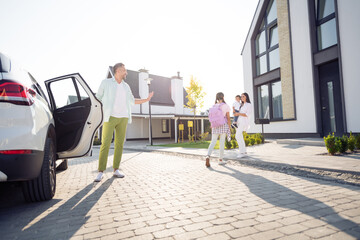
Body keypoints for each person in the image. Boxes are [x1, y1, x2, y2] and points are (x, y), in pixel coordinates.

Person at [94, 63, 154, 182]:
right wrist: (100, 112)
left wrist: (146, 99)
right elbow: (98, 98)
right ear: (118, 71)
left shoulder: (126, 86)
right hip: (110, 117)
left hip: (123, 117)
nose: (126, 73)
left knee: (119, 144)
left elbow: (132, 101)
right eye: (124, 71)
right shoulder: (106, 83)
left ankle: (116, 169)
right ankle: (100, 171)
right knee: (105, 144)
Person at [205, 92, 231, 167]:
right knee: (222, 142)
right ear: (223, 97)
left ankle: (207, 156)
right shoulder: (225, 106)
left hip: (215, 126)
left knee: (213, 142)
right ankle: (220, 160)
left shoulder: (214, 105)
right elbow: (228, 118)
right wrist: (229, 127)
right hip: (223, 125)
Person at [234, 93, 252, 158]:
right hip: (239, 121)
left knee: (237, 136)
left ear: (246, 97)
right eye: (241, 97)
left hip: (243, 122)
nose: (241, 98)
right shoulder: (241, 105)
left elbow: (247, 114)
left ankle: (241, 152)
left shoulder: (249, 105)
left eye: (243, 96)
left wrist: (239, 113)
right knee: (240, 136)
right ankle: (244, 152)